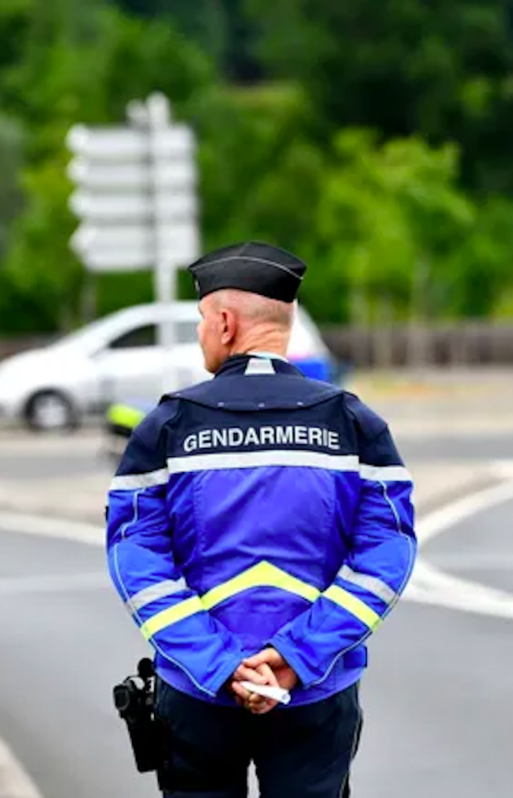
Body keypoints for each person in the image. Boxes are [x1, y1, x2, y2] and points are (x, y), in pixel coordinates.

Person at [105, 241, 417, 797]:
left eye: (202, 320)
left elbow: (135, 558)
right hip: (316, 691)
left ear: (224, 323)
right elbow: (387, 555)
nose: (202, 332)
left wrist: (220, 663)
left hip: (197, 693)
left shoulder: (167, 427)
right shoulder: (352, 423)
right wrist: (298, 657)